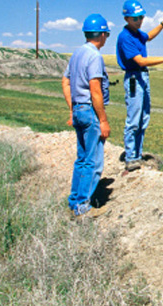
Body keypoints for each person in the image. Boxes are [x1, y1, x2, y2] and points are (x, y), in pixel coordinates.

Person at [116, 0, 163, 171]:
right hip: (134, 78)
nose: (140, 20)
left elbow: (149, 36)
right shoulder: (125, 37)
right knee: (133, 119)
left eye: (141, 17)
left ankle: (137, 154)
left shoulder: (137, 33)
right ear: (127, 19)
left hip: (143, 78)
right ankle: (131, 158)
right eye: (136, 18)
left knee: (144, 117)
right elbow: (140, 61)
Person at [62, 13, 111, 218]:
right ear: (100, 35)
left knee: (81, 159)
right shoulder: (94, 56)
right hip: (90, 112)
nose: (106, 38)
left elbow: (65, 82)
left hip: (79, 110)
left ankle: (74, 200)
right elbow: (95, 89)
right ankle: (82, 206)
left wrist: (72, 109)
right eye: (106, 34)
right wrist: (103, 120)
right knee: (93, 161)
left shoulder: (76, 54)